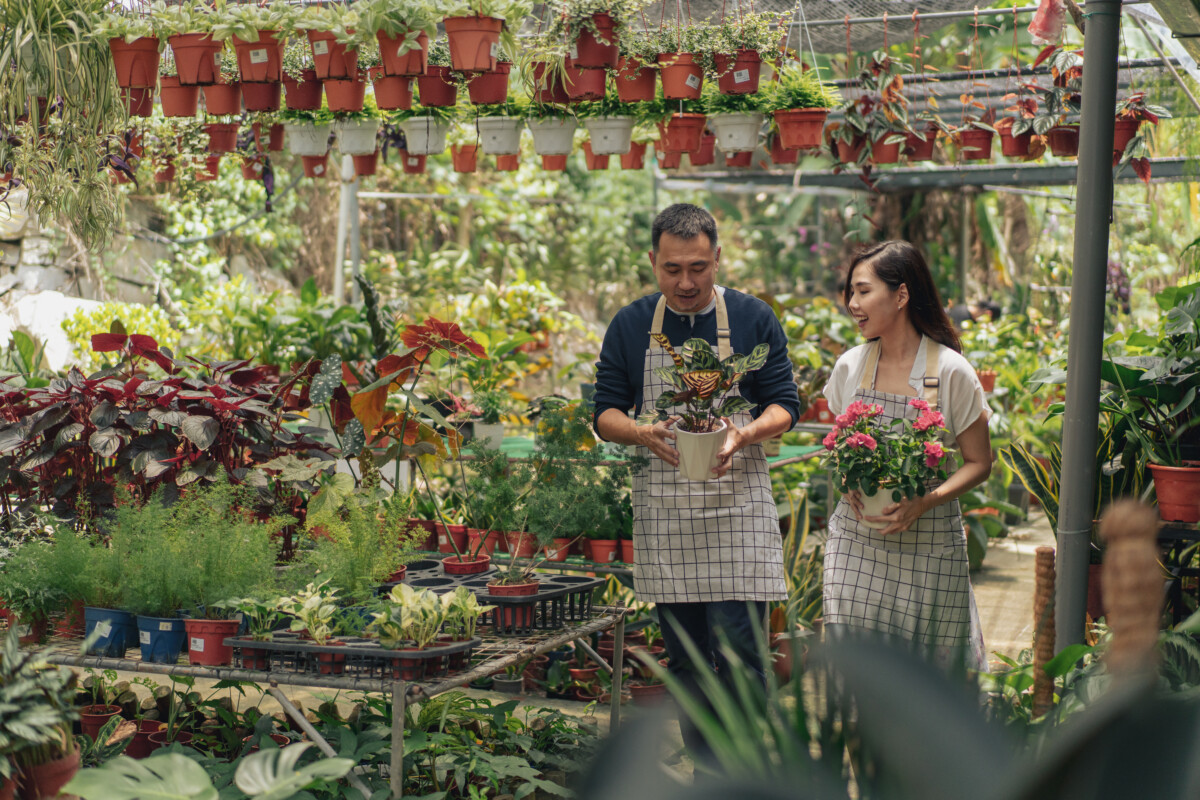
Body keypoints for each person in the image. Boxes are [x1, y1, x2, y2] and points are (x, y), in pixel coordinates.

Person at [592, 203, 799, 753]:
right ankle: (706, 768)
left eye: (699, 268)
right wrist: (641, 432)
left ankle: (745, 771)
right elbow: (606, 412)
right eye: (673, 269)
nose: (686, 282)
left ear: (718, 259)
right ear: (654, 262)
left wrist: (744, 434)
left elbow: (784, 404)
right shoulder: (633, 324)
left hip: (738, 509)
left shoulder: (753, 318)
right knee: (685, 658)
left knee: (742, 652)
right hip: (667, 513)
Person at [822, 240, 991, 670]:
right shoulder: (850, 367)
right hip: (855, 541)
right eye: (851, 294)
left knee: (932, 680)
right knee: (859, 676)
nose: (853, 304)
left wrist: (925, 502)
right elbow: (842, 448)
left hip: (929, 546)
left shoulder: (952, 372)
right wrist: (848, 482)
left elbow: (979, 463)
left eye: (863, 291)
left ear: (901, 295)